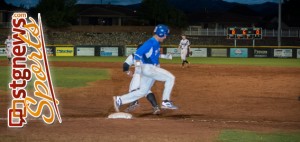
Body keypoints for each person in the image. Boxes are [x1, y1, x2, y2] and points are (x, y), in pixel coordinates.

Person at [113, 24, 177, 113]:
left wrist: (166, 56)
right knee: (170, 78)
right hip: (150, 68)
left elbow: (154, 54)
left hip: (150, 69)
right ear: (161, 33)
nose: (166, 37)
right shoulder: (151, 42)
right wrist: (138, 67)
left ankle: (119, 100)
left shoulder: (156, 43)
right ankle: (165, 101)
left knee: (143, 91)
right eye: (165, 34)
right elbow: (137, 54)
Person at [122, 44, 160, 115]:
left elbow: (125, 65)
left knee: (133, 89)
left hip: (139, 74)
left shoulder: (134, 55)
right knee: (146, 90)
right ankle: (156, 107)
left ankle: (134, 102)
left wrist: (128, 72)